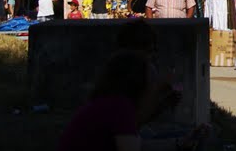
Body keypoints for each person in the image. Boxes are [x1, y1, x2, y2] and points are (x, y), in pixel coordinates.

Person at [56, 49, 206, 151]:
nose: (153, 84)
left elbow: (134, 135)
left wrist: (179, 143)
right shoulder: (119, 107)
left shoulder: (112, 103)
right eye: (151, 80)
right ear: (138, 81)